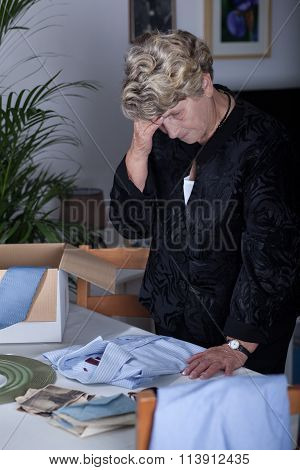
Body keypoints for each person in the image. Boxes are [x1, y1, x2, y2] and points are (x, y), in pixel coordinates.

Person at [109, 30, 300, 378]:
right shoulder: (161, 138)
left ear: (206, 84)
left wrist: (237, 346)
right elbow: (131, 224)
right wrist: (139, 147)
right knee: (178, 424)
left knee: (237, 425)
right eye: (158, 119)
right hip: (174, 319)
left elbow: (270, 253)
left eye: (176, 114)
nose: (169, 130)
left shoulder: (265, 144)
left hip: (241, 329)